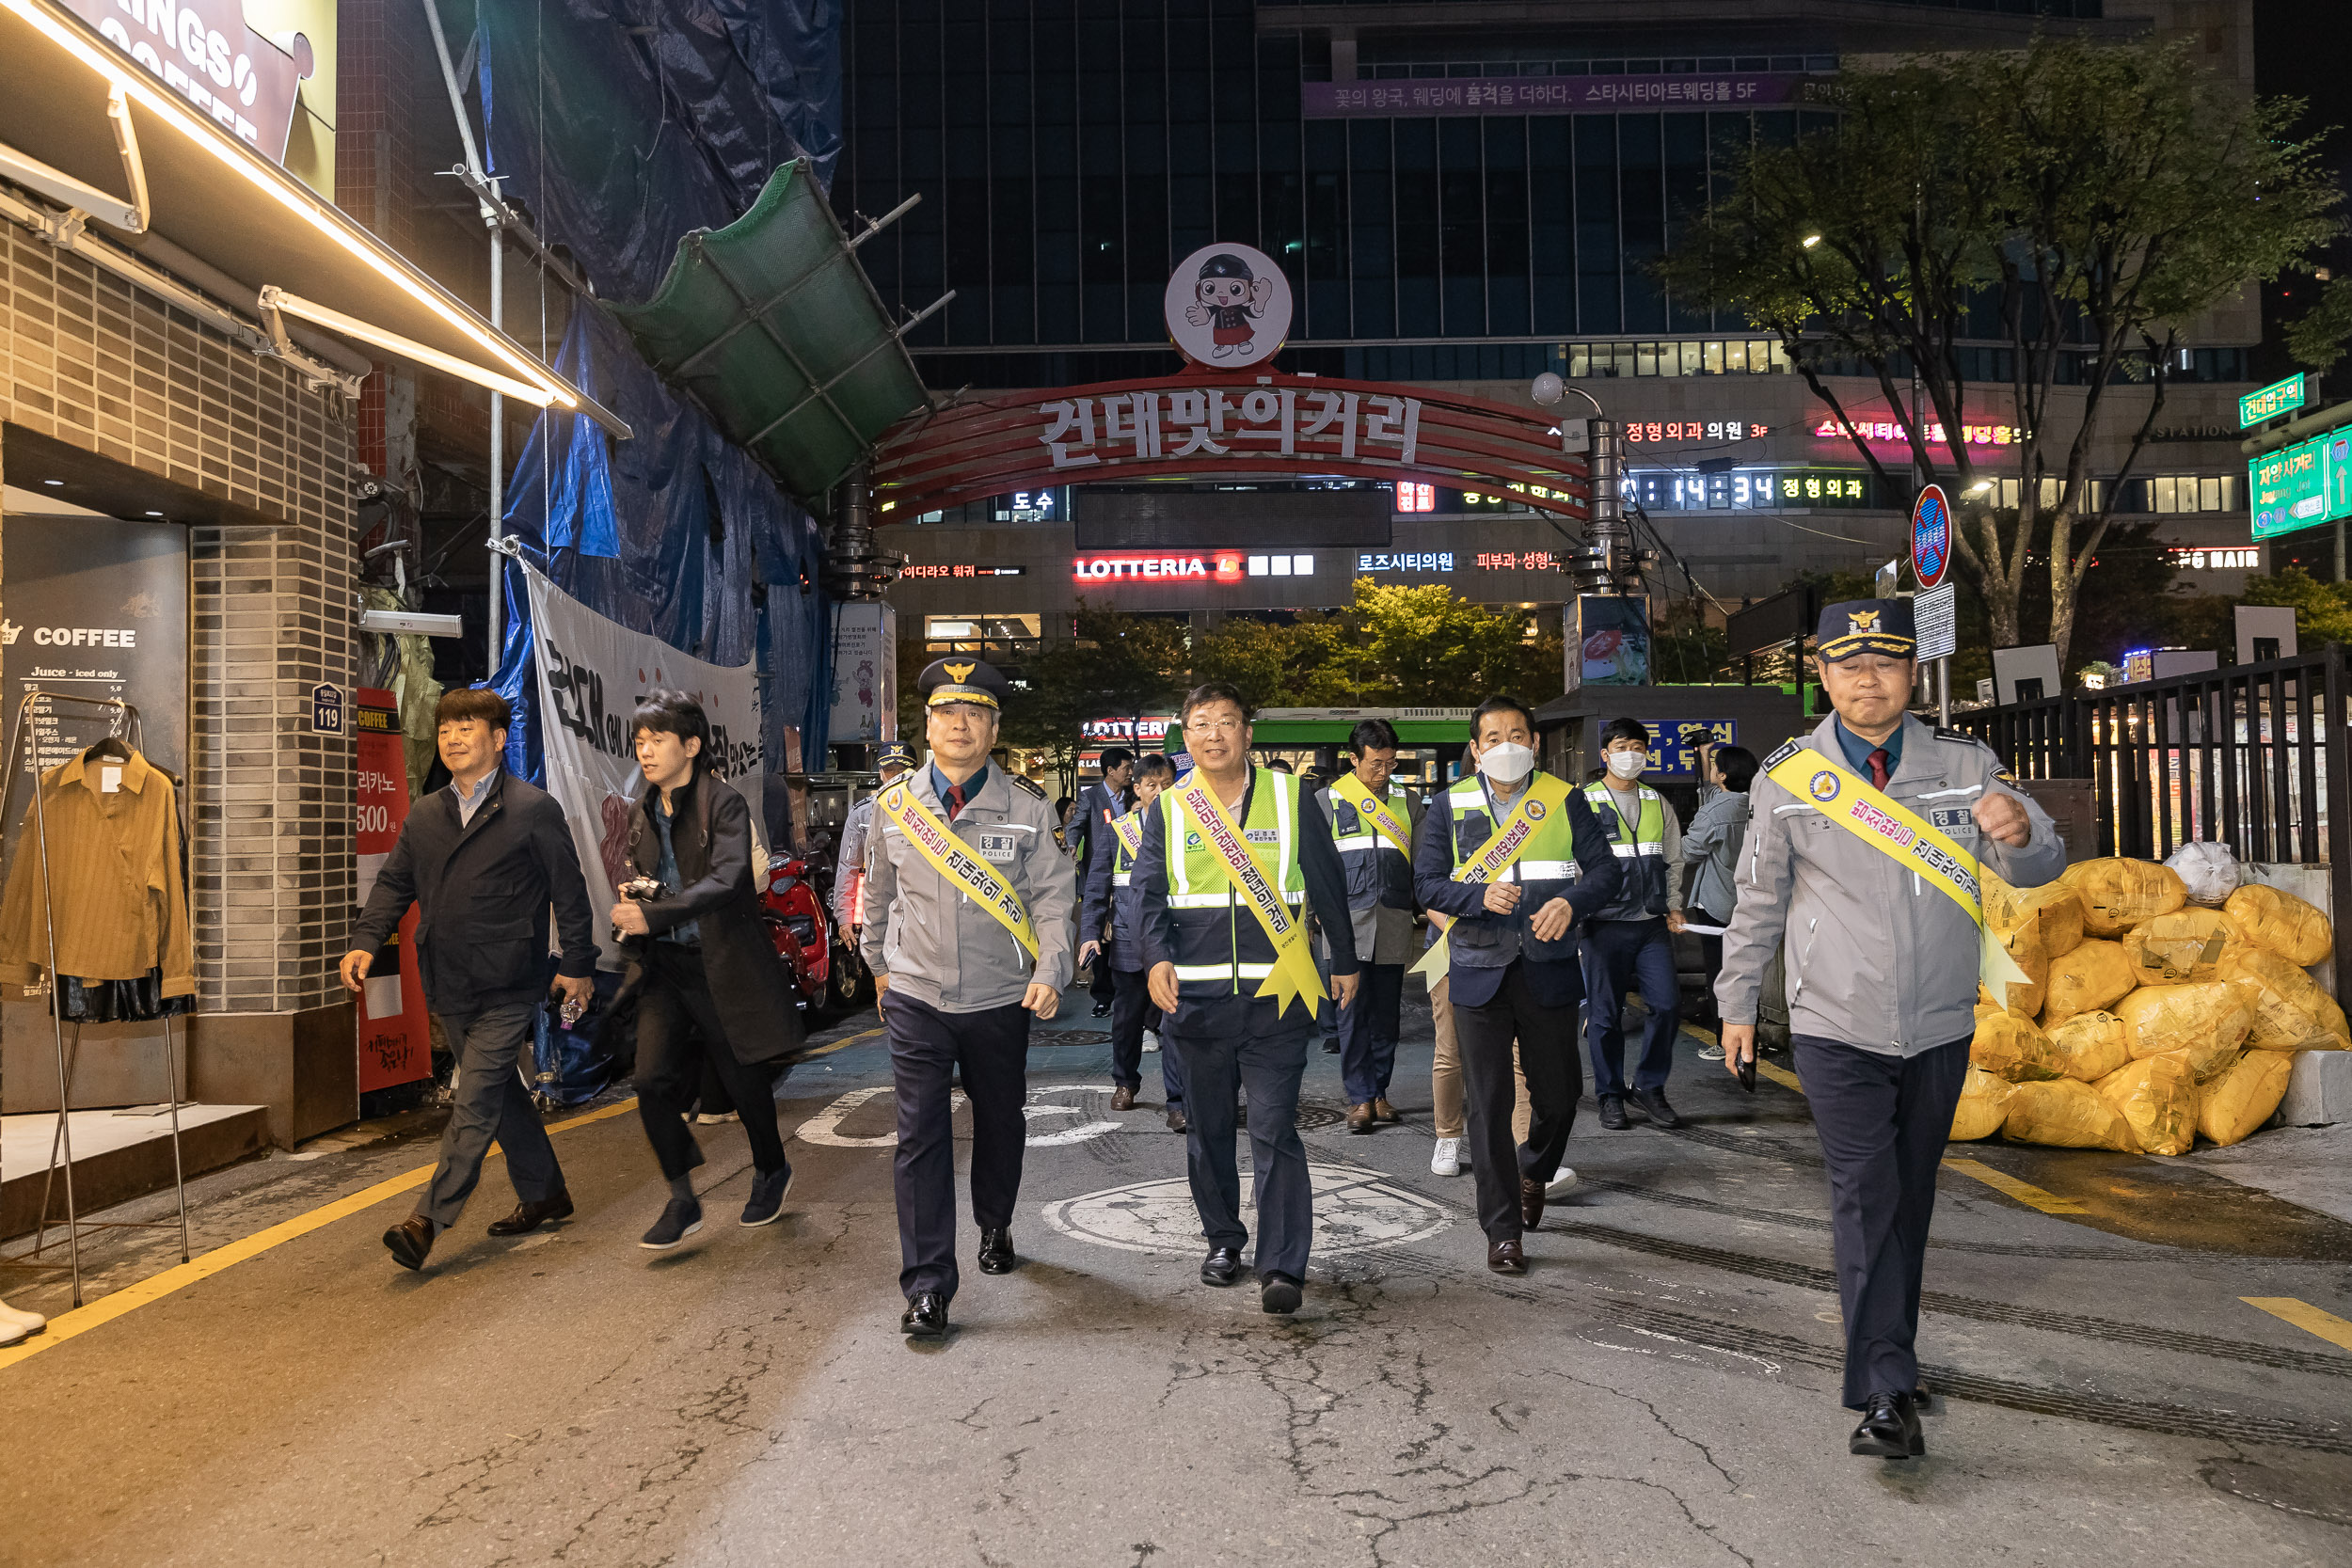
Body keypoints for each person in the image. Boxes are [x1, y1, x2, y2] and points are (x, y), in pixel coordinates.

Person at [1719, 598, 2062, 1460]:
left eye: (1886, 662)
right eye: (1848, 664)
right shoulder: (1789, 777)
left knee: (1908, 1197)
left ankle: (1891, 1358)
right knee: (1866, 1196)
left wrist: (2021, 834)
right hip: (1836, 1025)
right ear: (1824, 676)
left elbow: (2042, 862)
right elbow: (1758, 899)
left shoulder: (1964, 762)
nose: (1867, 679)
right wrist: (1734, 1004)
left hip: (1941, 1021)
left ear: (1912, 671)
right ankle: (1885, 1389)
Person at [343, 688, 598, 1272]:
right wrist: (363, 941)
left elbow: (570, 892)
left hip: (510, 979)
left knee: (475, 1099)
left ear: (499, 739)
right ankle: (544, 1192)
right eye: (446, 731)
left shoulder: (533, 809)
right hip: (450, 978)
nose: (453, 740)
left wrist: (579, 964)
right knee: (499, 1091)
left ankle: (427, 1221)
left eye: (466, 728)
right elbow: (393, 885)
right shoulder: (428, 814)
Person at [861, 658, 1078, 1339]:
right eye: (948, 712)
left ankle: (995, 1221)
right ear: (926, 724)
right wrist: (877, 965)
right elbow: (877, 893)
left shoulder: (1027, 809)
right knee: (919, 1136)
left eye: (976, 713)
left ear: (993, 728)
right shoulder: (892, 808)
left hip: (999, 998)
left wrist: (1053, 966)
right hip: (918, 997)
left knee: (1000, 1120)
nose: (961, 724)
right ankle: (928, 1285)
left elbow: (1052, 897)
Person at [1139, 682, 1360, 1316]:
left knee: (1273, 1126)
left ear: (1248, 734)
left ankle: (1283, 1263)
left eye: (1227, 722)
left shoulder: (1293, 798)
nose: (1215, 734)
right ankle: (1223, 1240)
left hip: (1276, 997)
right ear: (1186, 738)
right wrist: (1155, 956)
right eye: (1202, 723)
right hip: (1197, 1002)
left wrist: (1343, 960)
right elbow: (1148, 896)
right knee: (1208, 1133)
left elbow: (1326, 882)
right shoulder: (1172, 808)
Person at [1416, 696, 1621, 1274]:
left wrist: (1571, 902)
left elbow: (1605, 872)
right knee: (1488, 1103)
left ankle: (1534, 1168)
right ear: (1477, 749)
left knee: (1558, 1097)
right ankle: (1502, 1230)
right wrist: (1475, 897)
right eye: (1493, 736)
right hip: (1478, 970)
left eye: (1516, 734)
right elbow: (1427, 883)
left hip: (1548, 967)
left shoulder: (1564, 799)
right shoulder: (1447, 804)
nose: (1506, 745)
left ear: (1533, 743)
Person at [612, 691, 806, 1250]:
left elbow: (726, 881)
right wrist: (638, 898)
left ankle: (771, 1169)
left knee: (744, 1082)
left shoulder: (722, 803)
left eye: (657, 740)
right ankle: (681, 1196)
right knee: (649, 1079)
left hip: (721, 965)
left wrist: (654, 913)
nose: (645, 751)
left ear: (691, 746)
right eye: (640, 741)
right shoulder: (641, 807)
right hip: (664, 969)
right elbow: (655, 875)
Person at [1581, 718, 1690, 1131]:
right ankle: (1610, 1095)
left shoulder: (1656, 802)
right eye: (1623, 746)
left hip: (1650, 923)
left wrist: (1674, 905)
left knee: (1665, 1005)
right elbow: (1573, 864)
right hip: (1602, 925)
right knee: (1605, 1016)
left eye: (1639, 748)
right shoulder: (1583, 801)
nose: (1632, 754)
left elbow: (1673, 859)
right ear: (1605, 754)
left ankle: (1648, 1086)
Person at [1320, 719, 1422, 1132]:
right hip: (1345, 927)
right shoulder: (1327, 801)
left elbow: (1423, 864)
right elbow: (1316, 869)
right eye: (1375, 764)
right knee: (1351, 1016)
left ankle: (1379, 1092)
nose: (1383, 773)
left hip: (1394, 922)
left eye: (1391, 764)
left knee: (1386, 1017)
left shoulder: (1410, 803)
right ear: (1354, 759)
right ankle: (1359, 1097)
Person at [1081, 752, 1186, 1129]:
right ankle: (1126, 1082)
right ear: (1137, 788)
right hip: (1128, 940)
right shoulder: (1118, 830)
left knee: (1175, 1021)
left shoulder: (1190, 828)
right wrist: (1090, 933)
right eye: (1151, 785)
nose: (1159, 792)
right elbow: (1096, 886)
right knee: (1126, 1020)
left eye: (1167, 784)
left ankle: (1178, 1100)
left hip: (1176, 942)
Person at [1682, 744, 1758, 1040]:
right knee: (1743, 972)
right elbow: (1710, 791)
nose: (1711, 768)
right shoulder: (1754, 803)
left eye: (1715, 764)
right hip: (1747, 901)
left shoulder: (1716, 811)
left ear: (1724, 774)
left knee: (1719, 974)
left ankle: (1722, 1038)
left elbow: (1689, 851)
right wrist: (1703, 755)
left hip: (1716, 905)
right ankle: (1749, 1032)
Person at [1071, 749, 1135, 1017]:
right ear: (1110, 771)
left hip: (1129, 880)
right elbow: (1076, 825)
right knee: (1098, 937)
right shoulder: (1090, 798)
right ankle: (1102, 996)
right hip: (1098, 878)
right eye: (1126, 768)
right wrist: (1072, 844)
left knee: (1125, 936)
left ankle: (1128, 994)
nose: (1131, 773)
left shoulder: (1135, 797)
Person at [832, 742, 915, 938]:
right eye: (889, 770)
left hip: (917, 908)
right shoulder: (862, 814)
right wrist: (845, 916)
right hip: (876, 909)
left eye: (902, 770)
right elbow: (848, 866)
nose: (895, 776)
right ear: (880, 772)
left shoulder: (930, 812)